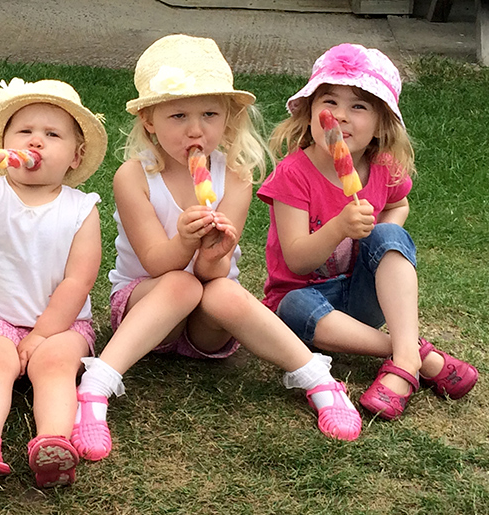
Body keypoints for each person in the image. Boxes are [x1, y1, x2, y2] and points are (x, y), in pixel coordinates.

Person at [72, 34, 365, 462]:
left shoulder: (238, 176)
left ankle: (316, 378)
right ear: (150, 120)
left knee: (221, 289)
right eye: (178, 115)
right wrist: (185, 239)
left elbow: (212, 275)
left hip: (209, 327)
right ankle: (95, 389)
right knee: (179, 285)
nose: (196, 129)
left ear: (228, 119)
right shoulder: (134, 177)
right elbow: (155, 262)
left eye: (209, 113)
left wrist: (214, 251)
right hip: (146, 309)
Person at [259, 43, 478, 421]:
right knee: (291, 307)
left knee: (389, 238)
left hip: (364, 296)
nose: (339, 116)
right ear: (310, 110)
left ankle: (405, 356)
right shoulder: (293, 174)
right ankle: (414, 354)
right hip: (305, 301)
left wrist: (380, 238)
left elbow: (398, 203)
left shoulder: (383, 167)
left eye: (358, 106)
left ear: (380, 123)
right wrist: (339, 227)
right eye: (329, 101)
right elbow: (296, 260)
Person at [0, 78, 107, 487]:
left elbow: (78, 281)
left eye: (52, 135)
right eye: (25, 132)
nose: (36, 142)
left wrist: (41, 336)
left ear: (75, 156)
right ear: (5, 147)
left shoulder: (81, 208)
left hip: (62, 324)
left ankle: (53, 443)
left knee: (55, 366)